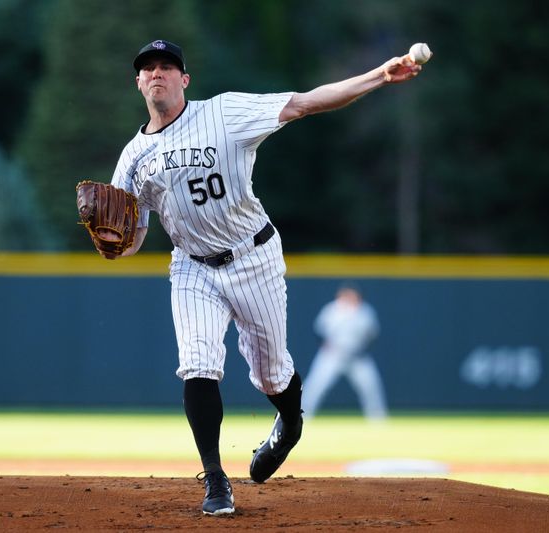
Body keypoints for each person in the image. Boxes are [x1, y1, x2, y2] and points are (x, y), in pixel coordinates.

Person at [107, 39, 423, 516]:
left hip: (253, 256)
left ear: (184, 80)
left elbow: (306, 102)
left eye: (167, 67)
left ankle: (290, 423)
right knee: (198, 363)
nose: (157, 74)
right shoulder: (132, 158)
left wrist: (378, 75)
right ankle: (216, 479)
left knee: (271, 371)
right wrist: (111, 242)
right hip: (192, 266)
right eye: (148, 68)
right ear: (137, 82)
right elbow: (129, 243)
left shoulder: (224, 113)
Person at [302, 286, 388, 421]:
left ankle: (378, 418)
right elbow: (318, 331)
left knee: (370, 387)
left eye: (352, 296)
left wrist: (362, 349)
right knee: (315, 386)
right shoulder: (331, 310)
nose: (348, 299)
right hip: (332, 355)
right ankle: (302, 416)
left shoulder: (365, 312)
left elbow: (372, 335)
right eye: (345, 296)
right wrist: (325, 345)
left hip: (357, 357)